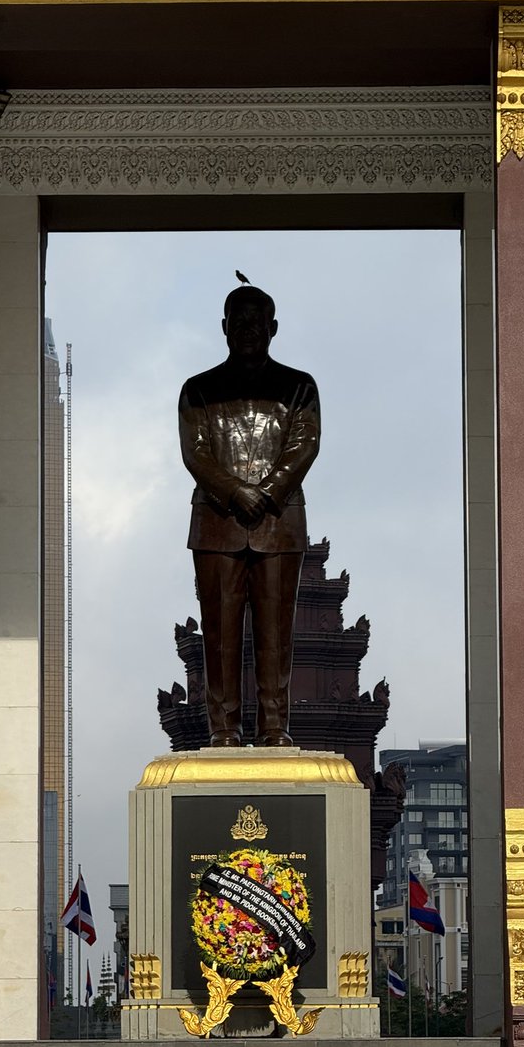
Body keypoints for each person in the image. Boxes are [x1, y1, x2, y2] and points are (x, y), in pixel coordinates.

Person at [178, 284, 320, 748]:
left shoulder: (300, 386)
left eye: (256, 323)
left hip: (279, 523)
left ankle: (274, 726)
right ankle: (224, 728)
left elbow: (304, 444)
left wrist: (269, 490)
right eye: (237, 323)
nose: (246, 332)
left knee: (276, 634)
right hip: (217, 523)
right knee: (218, 635)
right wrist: (239, 491)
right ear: (223, 329)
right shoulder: (198, 390)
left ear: (272, 329)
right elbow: (195, 454)